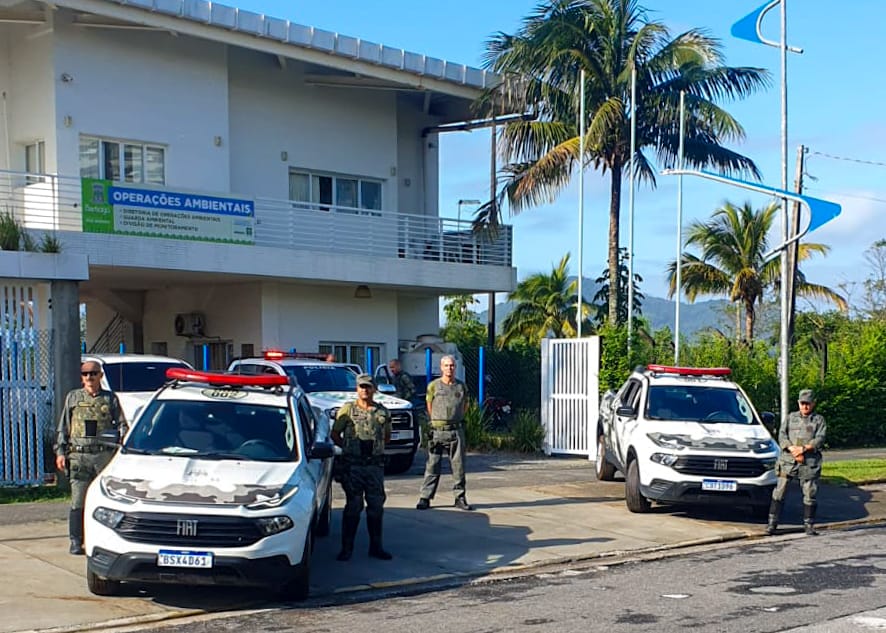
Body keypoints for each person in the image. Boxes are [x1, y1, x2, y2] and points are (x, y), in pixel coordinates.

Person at [55, 360, 127, 555]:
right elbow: (63, 427)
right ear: (81, 377)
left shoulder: (110, 399)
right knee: (78, 501)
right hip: (79, 456)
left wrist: (120, 442)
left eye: (93, 374)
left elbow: (122, 425)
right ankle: (76, 540)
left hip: (103, 456)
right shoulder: (73, 397)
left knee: (104, 500)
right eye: (86, 374)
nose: (89, 378)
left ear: (100, 376)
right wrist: (60, 452)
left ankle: (102, 539)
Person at [331, 374, 393, 561]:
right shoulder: (348, 410)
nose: (364, 390)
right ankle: (347, 548)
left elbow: (387, 436)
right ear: (356, 389)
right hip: (353, 467)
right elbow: (335, 433)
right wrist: (349, 449)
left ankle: (376, 547)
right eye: (361, 387)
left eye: (368, 387)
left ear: (374, 389)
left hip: (374, 466)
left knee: (376, 507)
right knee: (353, 507)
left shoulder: (382, 412)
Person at [765, 388, 827, 536]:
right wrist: (791, 448)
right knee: (779, 492)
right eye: (802, 403)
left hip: (809, 461)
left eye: (808, 404)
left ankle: (809, 525)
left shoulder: (819, 420)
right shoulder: (790, 417)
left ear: (813, 404)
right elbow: (781, 434)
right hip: (788, 460)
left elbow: (820, 438)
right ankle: (772, 524)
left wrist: (804, 449)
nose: (805, 406)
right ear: (798, 403)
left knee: (809, 493)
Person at [416, 355, 472, 511]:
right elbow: (429, 404)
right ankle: (425, 497)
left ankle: (460, 497)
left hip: (456, 431)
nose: (450, 368)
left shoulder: (461, 386)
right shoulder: (433, 386)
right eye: (446, 365)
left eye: (452, 365)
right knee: (432, 465)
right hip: (438, 431)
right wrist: (437, 420)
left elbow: (465, 405)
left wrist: (456, 418)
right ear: (441, 367)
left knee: (459, 466)